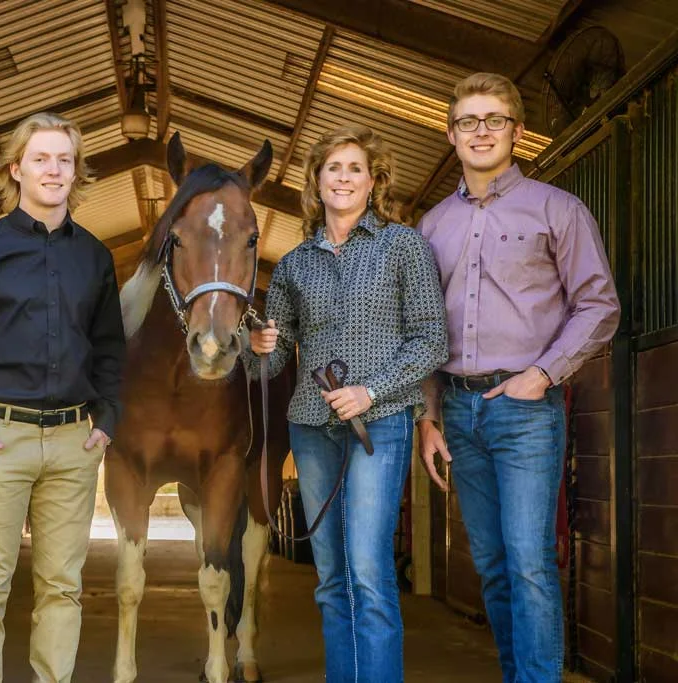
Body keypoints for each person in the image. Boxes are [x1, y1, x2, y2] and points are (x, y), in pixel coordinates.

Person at [416, 73, 620, 683]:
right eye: (468, 122)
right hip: (457, 409)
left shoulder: (558, 208)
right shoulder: (430, 227)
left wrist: (543, 373)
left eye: (494, 120)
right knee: (494, 565)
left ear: (517, 132)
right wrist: (428, 417)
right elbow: (424, 333)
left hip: (525, 407)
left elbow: (599, 305)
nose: (481, 132)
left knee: (531, 561)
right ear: (450, 134)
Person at [0, 112, 126, 683]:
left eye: (64, 159)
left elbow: (110, 349)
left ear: (76, 171)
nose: (53, 169)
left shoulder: (95, 257)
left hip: (73, 442)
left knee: (63, 586)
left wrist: (106, 420)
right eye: (41, 158)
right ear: (17, 168)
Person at [247, 123, 448, 682]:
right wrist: (259, 344)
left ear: (373, 180)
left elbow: (431, 338)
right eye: (332, 167)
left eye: (354, 168)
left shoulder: (402, 245)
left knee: (367, 569)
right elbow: (276, 351)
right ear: (316, 180)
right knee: (331, 576)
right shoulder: (293, 263)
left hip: (379, 425)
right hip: (311, 428)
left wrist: (370, 390)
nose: (342, 177)